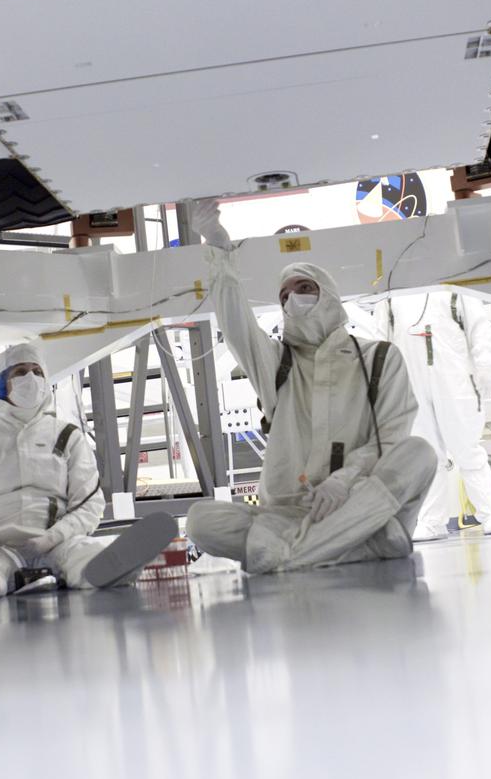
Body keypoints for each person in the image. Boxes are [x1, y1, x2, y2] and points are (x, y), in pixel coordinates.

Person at [185, 201, 437, 573]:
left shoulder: (378, 358)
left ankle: (292, 555)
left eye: (304, 288)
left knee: (419, 454)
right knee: (199, 521)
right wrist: (220, 248)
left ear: (329, 295)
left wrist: (344, 480)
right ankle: (355, 547)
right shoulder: (277, 366)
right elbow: (238, 327)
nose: (293, 299)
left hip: (360, 501)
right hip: (290, 514)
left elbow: (393, 439)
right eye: (285, 295)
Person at [0, 342, 175, 603]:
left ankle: (112, 569)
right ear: (1, 384)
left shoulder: (67, 436)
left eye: (37, 371)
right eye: (20, 372)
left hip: (58, 541)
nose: (31, 378)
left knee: (85, 556)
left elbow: (89, 504)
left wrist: (53, 537)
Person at [379, 293, 491, 539]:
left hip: (454, 376)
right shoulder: (390, 294)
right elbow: (380, 338)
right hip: (410, 379)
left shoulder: (453, 286)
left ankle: (490, 514)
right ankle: (431, 521)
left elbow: (478, 326)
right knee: (426, 453)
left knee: (466, 448)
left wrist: (484, 366)